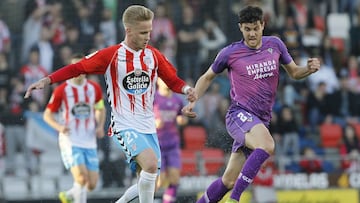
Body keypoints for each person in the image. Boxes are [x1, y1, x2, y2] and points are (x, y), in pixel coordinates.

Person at [24, 5, 196, 203]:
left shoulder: (153, 55)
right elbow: (77, 68)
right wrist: (47, 80)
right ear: (128, 30)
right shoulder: (111, 55)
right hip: (124, 125)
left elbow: (172, 80)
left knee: (151, 181)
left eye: (149, 31)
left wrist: (186, 90)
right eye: (142, 32)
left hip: (148, 126)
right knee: (149, 165)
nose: (148, 36)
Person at [182, 6, 320, 203]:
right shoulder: (230, 53)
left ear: (263, 25)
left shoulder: (275, 45)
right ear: (241, 28)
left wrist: (308, 68)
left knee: (228, 181)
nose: (252, 33)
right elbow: (207, 77)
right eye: (247, 29)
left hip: (260, 120)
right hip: (239, 115)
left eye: (255, 28)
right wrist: (193, 100)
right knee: (267, 145)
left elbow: (295, 72)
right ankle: (235, 200)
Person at [42, 54, 106, 203]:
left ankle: (70, 195)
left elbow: (100, 109)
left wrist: (100, 125)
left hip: (89, 140)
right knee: (81, 178)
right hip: (70, 140)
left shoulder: (93, 88)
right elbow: (47, 115)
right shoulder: (62, 90)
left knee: (92, 184)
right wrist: (60, 127)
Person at [154, 78, 187, 203]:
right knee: (159, 181)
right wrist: (154, 123)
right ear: (157, 81)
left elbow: (182, 116)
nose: (167, 81)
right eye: (163, 79)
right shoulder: (153, 99)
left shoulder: (177, 100)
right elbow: (142, 119)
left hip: (172, 144)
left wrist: (182, 120)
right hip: (157, 145)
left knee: (175, 179)